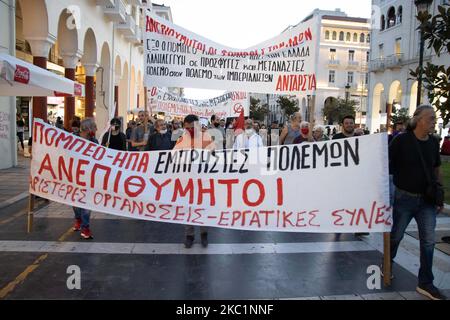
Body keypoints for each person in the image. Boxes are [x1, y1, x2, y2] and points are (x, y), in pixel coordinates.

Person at [387, 105, 446, 300]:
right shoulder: (401, 140)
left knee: (428, 241)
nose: (433, 121)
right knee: (396, 236)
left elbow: (436, 168)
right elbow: (387, 166)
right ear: (418, 119)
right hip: (404, 198)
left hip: (427, 201)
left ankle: (425, 282)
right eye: (430, 118)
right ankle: (386, 264)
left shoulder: (433, 142)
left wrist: (440, 194)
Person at [174, 115, 214, 248]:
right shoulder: (181, 139)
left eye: (192, 128)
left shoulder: (206, 137)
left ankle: (204, 235)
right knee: (188, 208)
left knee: (202, 208)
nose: (190, 130)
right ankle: (189, 236)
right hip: (187, 181)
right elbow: (173, 156)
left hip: (203, 181)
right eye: (187, 128)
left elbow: (213, 155)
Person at [333, 116, 368, 237]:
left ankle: (360, 227)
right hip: (341, 176)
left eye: (351, 123)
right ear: (342, 125)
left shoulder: (360, 137)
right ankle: (339, 224)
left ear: (354, 124)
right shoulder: (336, 138)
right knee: (341, 201)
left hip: (357, 176)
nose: (349, 125)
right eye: (346, 123)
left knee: (359, 201)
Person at [72, 118, 98, 240]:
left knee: (86, 204)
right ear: (88, 129)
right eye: (94, 127)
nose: (96, 129)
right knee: (75, 203)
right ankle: (78, 219)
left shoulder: (94, 141)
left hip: (88, 177)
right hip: (73, 176)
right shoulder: (72, 139)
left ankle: (85, 227)